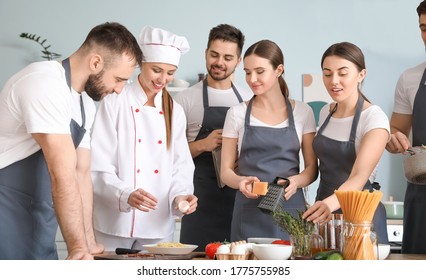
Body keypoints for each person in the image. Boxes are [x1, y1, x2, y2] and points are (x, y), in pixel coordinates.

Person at [0, 22, 142, 260]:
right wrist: (77, 248)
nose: (119, 90)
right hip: (7, 207)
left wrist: (87, 243)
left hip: (39, 212)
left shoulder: (85, 102)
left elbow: (81, 174)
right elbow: (62, 173)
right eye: (118, 79)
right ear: (96, 63)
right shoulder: (43, 82)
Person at [90, 26, 197, 251]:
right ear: (142, 64)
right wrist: (125, 194)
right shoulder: (114, 101)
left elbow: (181, 166)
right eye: (157, 70)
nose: (163, 79)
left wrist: (181, 197)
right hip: (114, 223)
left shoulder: (174, 110)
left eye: (170, 72)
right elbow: (98, 165)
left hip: (157, 224)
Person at [221, 39, 318, 241]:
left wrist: (294, 182)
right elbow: (226, 173)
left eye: (259, 71)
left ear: (278, 70)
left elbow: (311, 169)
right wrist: (240, 182)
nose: (252, 79)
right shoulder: (237, 113)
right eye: (247, 72)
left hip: (290, 208)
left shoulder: (303, 112)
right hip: (248, 211)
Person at [302, 42, 390, 244]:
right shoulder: (326, 111)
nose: (334, 81)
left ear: (361, 75)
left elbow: (359, 177)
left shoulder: (374, 119)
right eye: (327, 73)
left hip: (359, 217)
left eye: (343, 73)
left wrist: (328, 205)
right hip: (324, 215)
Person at [173, 24, 251, 250]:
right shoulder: (185, 99)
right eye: (214, 55)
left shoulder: (248, 99)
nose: (219, 62)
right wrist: (203, 144)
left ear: (238, 61)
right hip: (198, 200)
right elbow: (170, 155)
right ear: (206, 53)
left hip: (237, 200)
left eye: (228, 57)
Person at [385, 1, 426, 254]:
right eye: (423, 27)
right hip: (421, 197)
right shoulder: (410, 78)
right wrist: (392, 138)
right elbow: (393, 130)